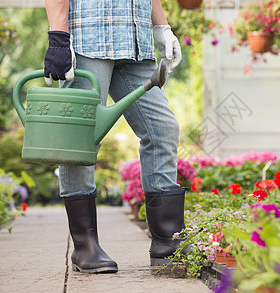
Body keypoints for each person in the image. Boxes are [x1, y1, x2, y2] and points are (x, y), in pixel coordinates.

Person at [44, 0, 188, 274]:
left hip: (136, 44)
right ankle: (85, 246)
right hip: (89, 40)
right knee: (80, 140)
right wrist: (58, 38)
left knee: (163, 128)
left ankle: (167, 242)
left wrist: (162, 27)